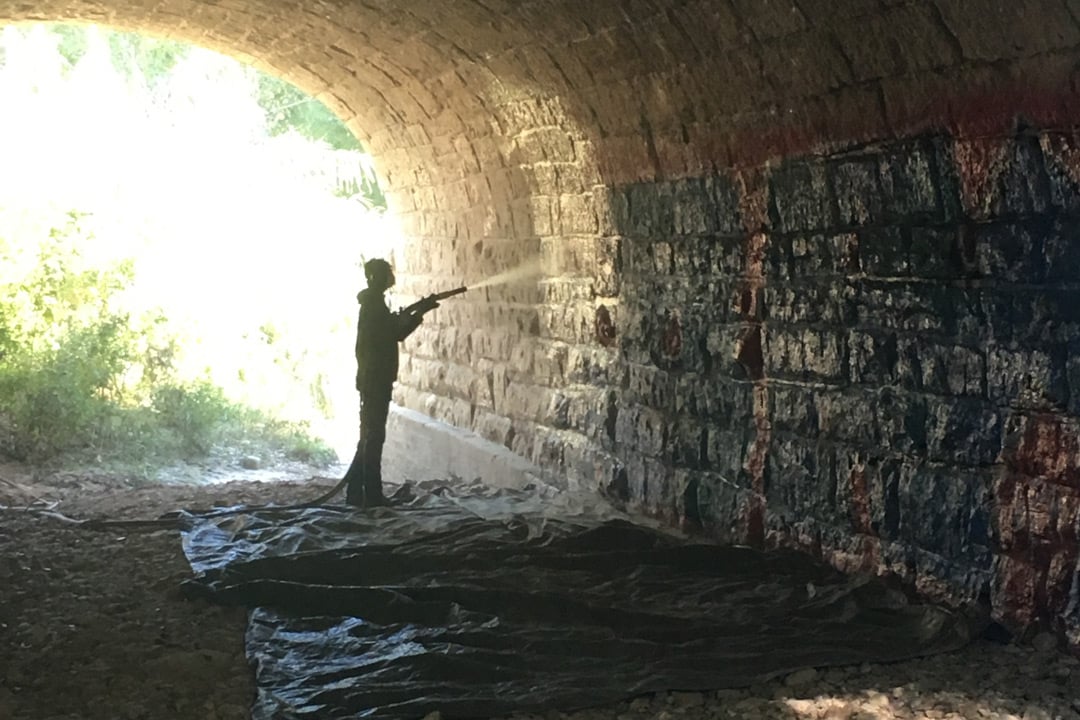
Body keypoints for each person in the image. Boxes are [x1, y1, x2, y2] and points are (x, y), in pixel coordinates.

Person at [342, 258, 438, 507]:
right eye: (387, 273)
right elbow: (393, 334)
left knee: (369, 436)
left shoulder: (373, 304)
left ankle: (356, 493)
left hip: (372, 379)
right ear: (378, 277)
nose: (391, 276)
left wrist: (414, 314)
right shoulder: (374, 307)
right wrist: (418, 314)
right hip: (376, 379)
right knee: (373, 438)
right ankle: (371, 496)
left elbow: (390, 332)